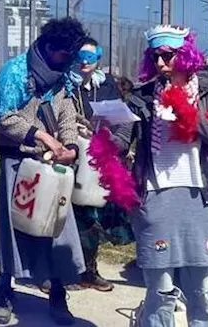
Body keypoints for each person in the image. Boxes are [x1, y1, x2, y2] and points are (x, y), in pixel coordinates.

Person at [123, 25, 208, 327]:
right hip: (155, 197)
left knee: (200, 291)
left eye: (168, 56)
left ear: (185, 56)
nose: (161, 64)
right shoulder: (141, 97)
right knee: (160, 290)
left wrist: (185, 110)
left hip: (199, 198)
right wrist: (105, 131)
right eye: (155, 57)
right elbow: (122, 139)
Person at [0, 17, 89, 326]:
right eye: (65, 53)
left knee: (57, 228)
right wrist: (42, 136)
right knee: (14, 227)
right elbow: (4, 117)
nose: (69, 59)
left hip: (52, 166)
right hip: (19, 161)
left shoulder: (63, 76)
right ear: (50, 46)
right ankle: (5, 291)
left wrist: (69, 145)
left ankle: (58, 296)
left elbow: (67, 113)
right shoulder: (15, 72)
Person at [68, 37, 134, 292]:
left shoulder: (106, 86)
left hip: (97, 157)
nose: (85, 63)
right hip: (69, 155)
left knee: (91, 215)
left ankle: (88, 269)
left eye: (90, 58)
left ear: (99, 58)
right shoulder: (64, 85)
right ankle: (62, 271)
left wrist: (112, 140)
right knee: (66, 214)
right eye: (80, 58)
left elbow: (120, 121)